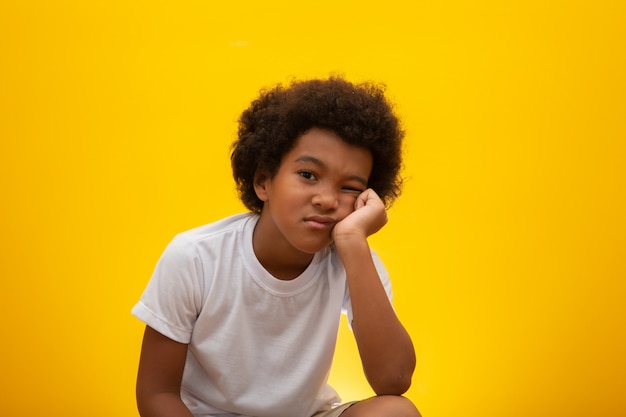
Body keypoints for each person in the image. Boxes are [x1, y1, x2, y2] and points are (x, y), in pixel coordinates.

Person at [132, 76, 421, 417]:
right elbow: (157, 393)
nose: (327, 199)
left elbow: (394, 379)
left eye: (349, 188)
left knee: (395, 412)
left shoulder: (354, 260)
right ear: (263, 180)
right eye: (308, 175)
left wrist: (353, 243)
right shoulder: (195, 256)